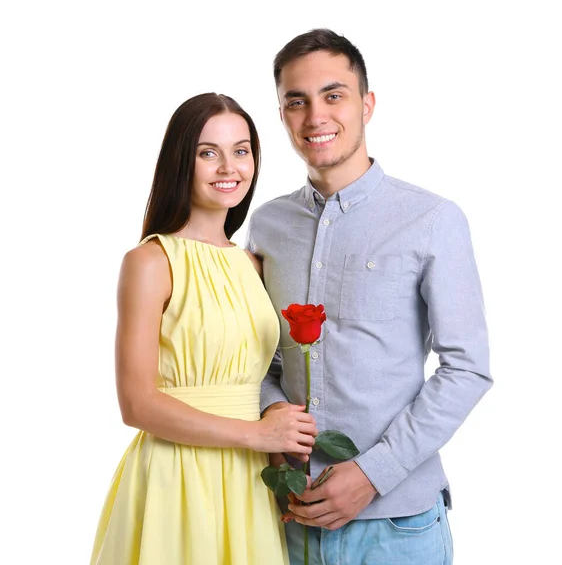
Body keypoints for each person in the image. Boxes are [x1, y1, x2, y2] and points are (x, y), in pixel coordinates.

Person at [246, 29, 493, 564]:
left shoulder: (433, 220)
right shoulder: (266, 226)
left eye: (334, 95)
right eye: (297, 101)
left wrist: (371, 473)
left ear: (367, 104)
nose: (316, 117)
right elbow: (259, 359)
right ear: (282, 114)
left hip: (397, 527)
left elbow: (467, 369)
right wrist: (274, 420)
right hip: (286, 520)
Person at [90, 93, 318, 565]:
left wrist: (279, 461)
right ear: (181, 160)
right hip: (177, 475)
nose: (228, 167)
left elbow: (260, 379)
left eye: (241, 150)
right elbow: (136, 404)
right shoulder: (150, 262)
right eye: (207, 152)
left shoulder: (252, 264)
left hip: (249, 481)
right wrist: (258, 436)